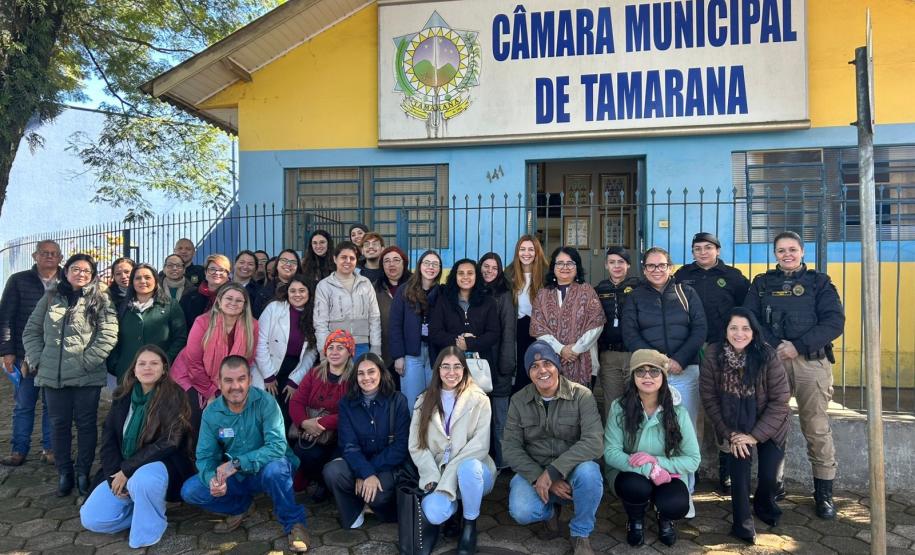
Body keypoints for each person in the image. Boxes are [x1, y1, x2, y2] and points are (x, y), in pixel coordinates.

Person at [743, 231, 845, 520]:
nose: (786, 254)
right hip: (773, 362)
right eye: (780, 250)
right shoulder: (761, 284)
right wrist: (777, 346)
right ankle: (775, 484)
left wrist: (798, 346)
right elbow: (751, 319)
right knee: (773, 425)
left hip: (811, 364)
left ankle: (823, 494)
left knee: (816, 428)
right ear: (774, 254)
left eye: (792, 249)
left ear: (802, 251)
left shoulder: (820, 283)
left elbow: (834, 321)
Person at [180, 355, 310, 552]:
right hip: (237, 477)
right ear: (219, 382)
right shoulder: (211, 413)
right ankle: (241, 507)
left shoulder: (266, 402)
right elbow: (206, 457)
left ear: (249, 379)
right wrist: (212, 480)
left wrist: (236, 464)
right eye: (229, 380)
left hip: (266, 470)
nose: (236, 386)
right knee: (191, 491)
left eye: (241, 379)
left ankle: (295, 524)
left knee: (277, 469)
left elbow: (277, 447)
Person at [22, 253, 119, 496]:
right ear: (66, 272)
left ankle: (83, 472)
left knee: (86, 424)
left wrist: (87, 361)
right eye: (76, 269)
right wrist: (38, 358)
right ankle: (64, 472)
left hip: (87, 375)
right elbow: (31, 331)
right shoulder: (51, 297)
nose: (81, 274)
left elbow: (108, 334)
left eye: (86, 271)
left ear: (93, 275)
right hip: (53, 377)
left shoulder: (101, 299)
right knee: (58, 424)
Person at [80, 345, 195, 548]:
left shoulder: (174, 396)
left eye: (154, 363)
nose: (147, 368)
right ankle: (145, 507)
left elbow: (170, 442)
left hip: (161, 464)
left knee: (142, 481)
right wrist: (113, 474)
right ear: (134, 369)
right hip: (123, 467)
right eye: (142, 363)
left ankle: (149, 530)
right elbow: (108, 440)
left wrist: (127, 469)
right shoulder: (122, 396)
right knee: (91, 518)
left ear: (164, 369)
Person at [622, 246, 706, 507]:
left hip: (685, 371)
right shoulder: (635, 297)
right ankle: (648, 484)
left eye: (661, 265)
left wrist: (679, 359)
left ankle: (683, 492)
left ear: (670, 267)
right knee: (648, 429)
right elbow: (630, 333)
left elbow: (700, 328)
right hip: (650, 373)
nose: (656, 270)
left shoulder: (686, 293)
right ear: (644, 269)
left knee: (685, 431)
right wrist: (656, 363)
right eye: (650, 266)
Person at [503, 341, 604, 555]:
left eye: (547, 363)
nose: (542, 370)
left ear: (557, 366)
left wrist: (554, 472)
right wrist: (541, 477)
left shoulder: (582, 395)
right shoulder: (518, 400)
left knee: (590, 474)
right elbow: (511, 448)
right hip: (535, 469)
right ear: (528, 373)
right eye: (534, 366)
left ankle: (580, 533)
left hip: (572, 469)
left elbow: (594, 442)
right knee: (522, 510)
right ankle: (550, 514)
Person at [700, 308, 790, 544]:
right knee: (739, 478)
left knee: (770, 478)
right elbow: (709, 398)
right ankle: (742, 525)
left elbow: (780, 401)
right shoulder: (713, 354)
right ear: (726, 331)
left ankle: (764, 504)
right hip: (735, 426)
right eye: (733, 328)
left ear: (754, 332)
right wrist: (731, 434)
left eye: (745, 328)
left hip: (770, 424)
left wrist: (756, 436)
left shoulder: (768, 356)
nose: (739, 334)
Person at [675, 232, 751, 493]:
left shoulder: (733, 277)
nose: (703, 252)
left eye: (708, 247)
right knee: (693, 408)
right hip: (692, 349)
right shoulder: (683, 276)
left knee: (725, 405)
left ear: (718, 250)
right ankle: (690, 468)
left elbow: (746, 312)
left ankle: (726, 467)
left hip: (724, 349)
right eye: (697, 248)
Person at [604, 349, 701, 548]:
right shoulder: (619, 408)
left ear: (663, 377)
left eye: (654, 371)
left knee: (676, 504)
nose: (647, 376)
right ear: (633, 377)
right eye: (640, 371)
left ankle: (665, 519)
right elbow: (611, 453)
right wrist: (649, 469)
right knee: (635, 486)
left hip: (668, 474)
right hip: (630, 472)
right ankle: (636, 521)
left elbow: (693, 459)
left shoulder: (678, 412)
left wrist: (658, 463)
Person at [409, 346, 496, 555]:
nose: (451, 372)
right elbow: (416, 445)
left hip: (477, 472)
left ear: (464, 370)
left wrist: (448, 476)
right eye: (445, 366)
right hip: (438, 474)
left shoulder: (480, 399)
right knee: (433, 512)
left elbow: (481, 445)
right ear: (437, 370)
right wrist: (432, 475)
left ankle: (469, 524)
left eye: (457, 367)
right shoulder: (423, 401)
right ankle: (453, 511)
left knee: (468, 469)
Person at [322, 353, 410, 528]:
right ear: (355, 377)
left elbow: (401, 446)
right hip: (357, 462)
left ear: (381, 373)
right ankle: (355, 509)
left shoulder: (397, 400)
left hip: (387, 465)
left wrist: (368, 472)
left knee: (378, 495)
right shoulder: (346, 403)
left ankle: (375, 506)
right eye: (361, 373)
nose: (366, 377)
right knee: (333, 471)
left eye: (371, 372)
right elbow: (348, 446)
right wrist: (364, 472)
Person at [0, 240, 62, 467]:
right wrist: (7, 351)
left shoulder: (66, 281)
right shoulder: (18, 280)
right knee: (24, 404)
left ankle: (50, 448)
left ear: (60, 258)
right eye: (44, 253)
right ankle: (19, 450)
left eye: (54, 253)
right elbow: (6, 317)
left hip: (55, 356)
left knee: (52, 405)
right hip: (23, 354)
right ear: (35, 256)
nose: (49, 256)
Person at [170, 283, 259, 433]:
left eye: (239, 300)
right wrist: (211, 394)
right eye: (229, 298)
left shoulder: (252, 325)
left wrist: (229, 387)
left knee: (231, 419)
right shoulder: (203, 322)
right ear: (219, 300)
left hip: (227, 380)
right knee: (198, 415)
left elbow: (247, 360)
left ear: (245, 305)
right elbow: (194, 364)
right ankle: (193, 454)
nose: (233, 303)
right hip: (191, 376)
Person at [289, 329, 354, 500]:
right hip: (312, 435)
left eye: (340, 348)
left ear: (349, 352)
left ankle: (327, 484)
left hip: (340, 437)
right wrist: (304, 423)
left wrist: (320, 423)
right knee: (303, 452)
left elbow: (352, 412)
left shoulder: (354, 378)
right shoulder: (314, 373)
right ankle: (316, 480)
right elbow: (296, 402)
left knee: (335, 464)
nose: (334, 352)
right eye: (331, 347)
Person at [530, 247, 605, 388]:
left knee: (581, 405)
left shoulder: (587, 291)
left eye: (570, 263)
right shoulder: (543, 294)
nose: (565, 267)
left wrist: (575, 350)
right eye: (560, 263)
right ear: (553, 267)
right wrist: (560, 349)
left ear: (577, 267)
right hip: (550, 361)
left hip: (584, 358)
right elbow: (538, 327)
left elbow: (596, 323)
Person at [255, 274, 318, 426]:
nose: (297, 295)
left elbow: (311, 353)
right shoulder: (274, 308)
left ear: (309, 293)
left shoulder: (315, 314)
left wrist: (295, 380)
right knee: (265, 412)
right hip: (268, 365)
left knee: (286, 413)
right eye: (293, 290)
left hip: (294, 368)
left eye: (302, 291)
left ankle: (282, 447)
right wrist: (268, 375)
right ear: (287, 292)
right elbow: (260, 341)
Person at [107, 264, 187, 382]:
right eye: (138, 278)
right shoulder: (121, 307)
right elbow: (112, 338)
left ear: (155, 280)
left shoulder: (170, 305)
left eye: (147, 277)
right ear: (132, 282)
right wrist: (116, 365)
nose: (143, 281)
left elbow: (180, 338)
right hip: (127, 373)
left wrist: (165, 361)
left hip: (160, 375)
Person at [429, 259, 500, 389]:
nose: (465, 277)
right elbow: (435, 333)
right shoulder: (443, 301)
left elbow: (493, 334)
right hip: (450, 367)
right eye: (461, 273)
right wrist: (457, 342)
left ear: (476, 276)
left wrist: (469, 344)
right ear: (455, 276)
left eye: (470, 273)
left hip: (479, 366)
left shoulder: (488, 302)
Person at [389, 250, 442, 411]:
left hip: (435, 355)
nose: (430, 267)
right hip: (412, 355)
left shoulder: (442, 292)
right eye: (427, 263)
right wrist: (398, 356)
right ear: (419, 266)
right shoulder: (405, 290)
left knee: (433, 403)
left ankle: (429, 436)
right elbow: (395, 324)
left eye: (435, 264)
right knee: (414, 404)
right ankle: (414, 436)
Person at [478, 252, 517, 469]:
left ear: (500, 270)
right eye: (486, 266)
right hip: (477, 363)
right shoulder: (474, 291)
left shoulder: (504, 294)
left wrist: (506, 365)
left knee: (501, 420)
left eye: (494, 267)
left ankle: (503, 463)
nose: (489, 271)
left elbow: (509, 332)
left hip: (499, 361)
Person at [314, 241, 381, 359]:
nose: (348, 261)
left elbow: (374, 317)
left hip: (362, 346)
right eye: (343, 257)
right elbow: (320, 322)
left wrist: (376, 347)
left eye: (352, 258)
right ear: (335, 259)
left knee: (360, 377)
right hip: (336, 346)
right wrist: (323, 351)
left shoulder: (365, 283)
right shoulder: (324, 285)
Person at [595, 246, 640, 420]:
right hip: (609, 355)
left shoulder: (639, 287)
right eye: (612, 262)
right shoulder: (599, 290)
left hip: (633, 354)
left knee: (636, 401)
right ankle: (612, 444)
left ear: (628, 265)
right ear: (606, 265)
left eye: (621, 262)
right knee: (612, 404)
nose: (616, 266)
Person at [506, 235, 548, 394]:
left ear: (537, 252)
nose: (526, 253)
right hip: (518, 328)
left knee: (539, 368)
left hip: (541, 330)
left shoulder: (547, 275)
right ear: (517, 252)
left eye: (531, 249)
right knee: (521, 372)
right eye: (522, 249)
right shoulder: (509, 274)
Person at [375, 246, 410, 370]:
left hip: (410, 352)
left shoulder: (415, 286)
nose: (391, 264)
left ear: (404, 263)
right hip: (384, 352)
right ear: (382, 265)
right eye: (387, 261)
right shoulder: (374, 288)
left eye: (396, 260)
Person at [180, 254, 232, 331]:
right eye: (212, 269)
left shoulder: (234, 297)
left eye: (221, 270)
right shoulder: (189, 297)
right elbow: (182, 326)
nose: (216, 273)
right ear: (205, 272)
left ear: (228, 274)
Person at [253, 249, 300, 318]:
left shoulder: (307, 288)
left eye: (293, 262)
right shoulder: (264, 293)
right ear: (277, 265)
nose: (288, 264)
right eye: (284, 260)